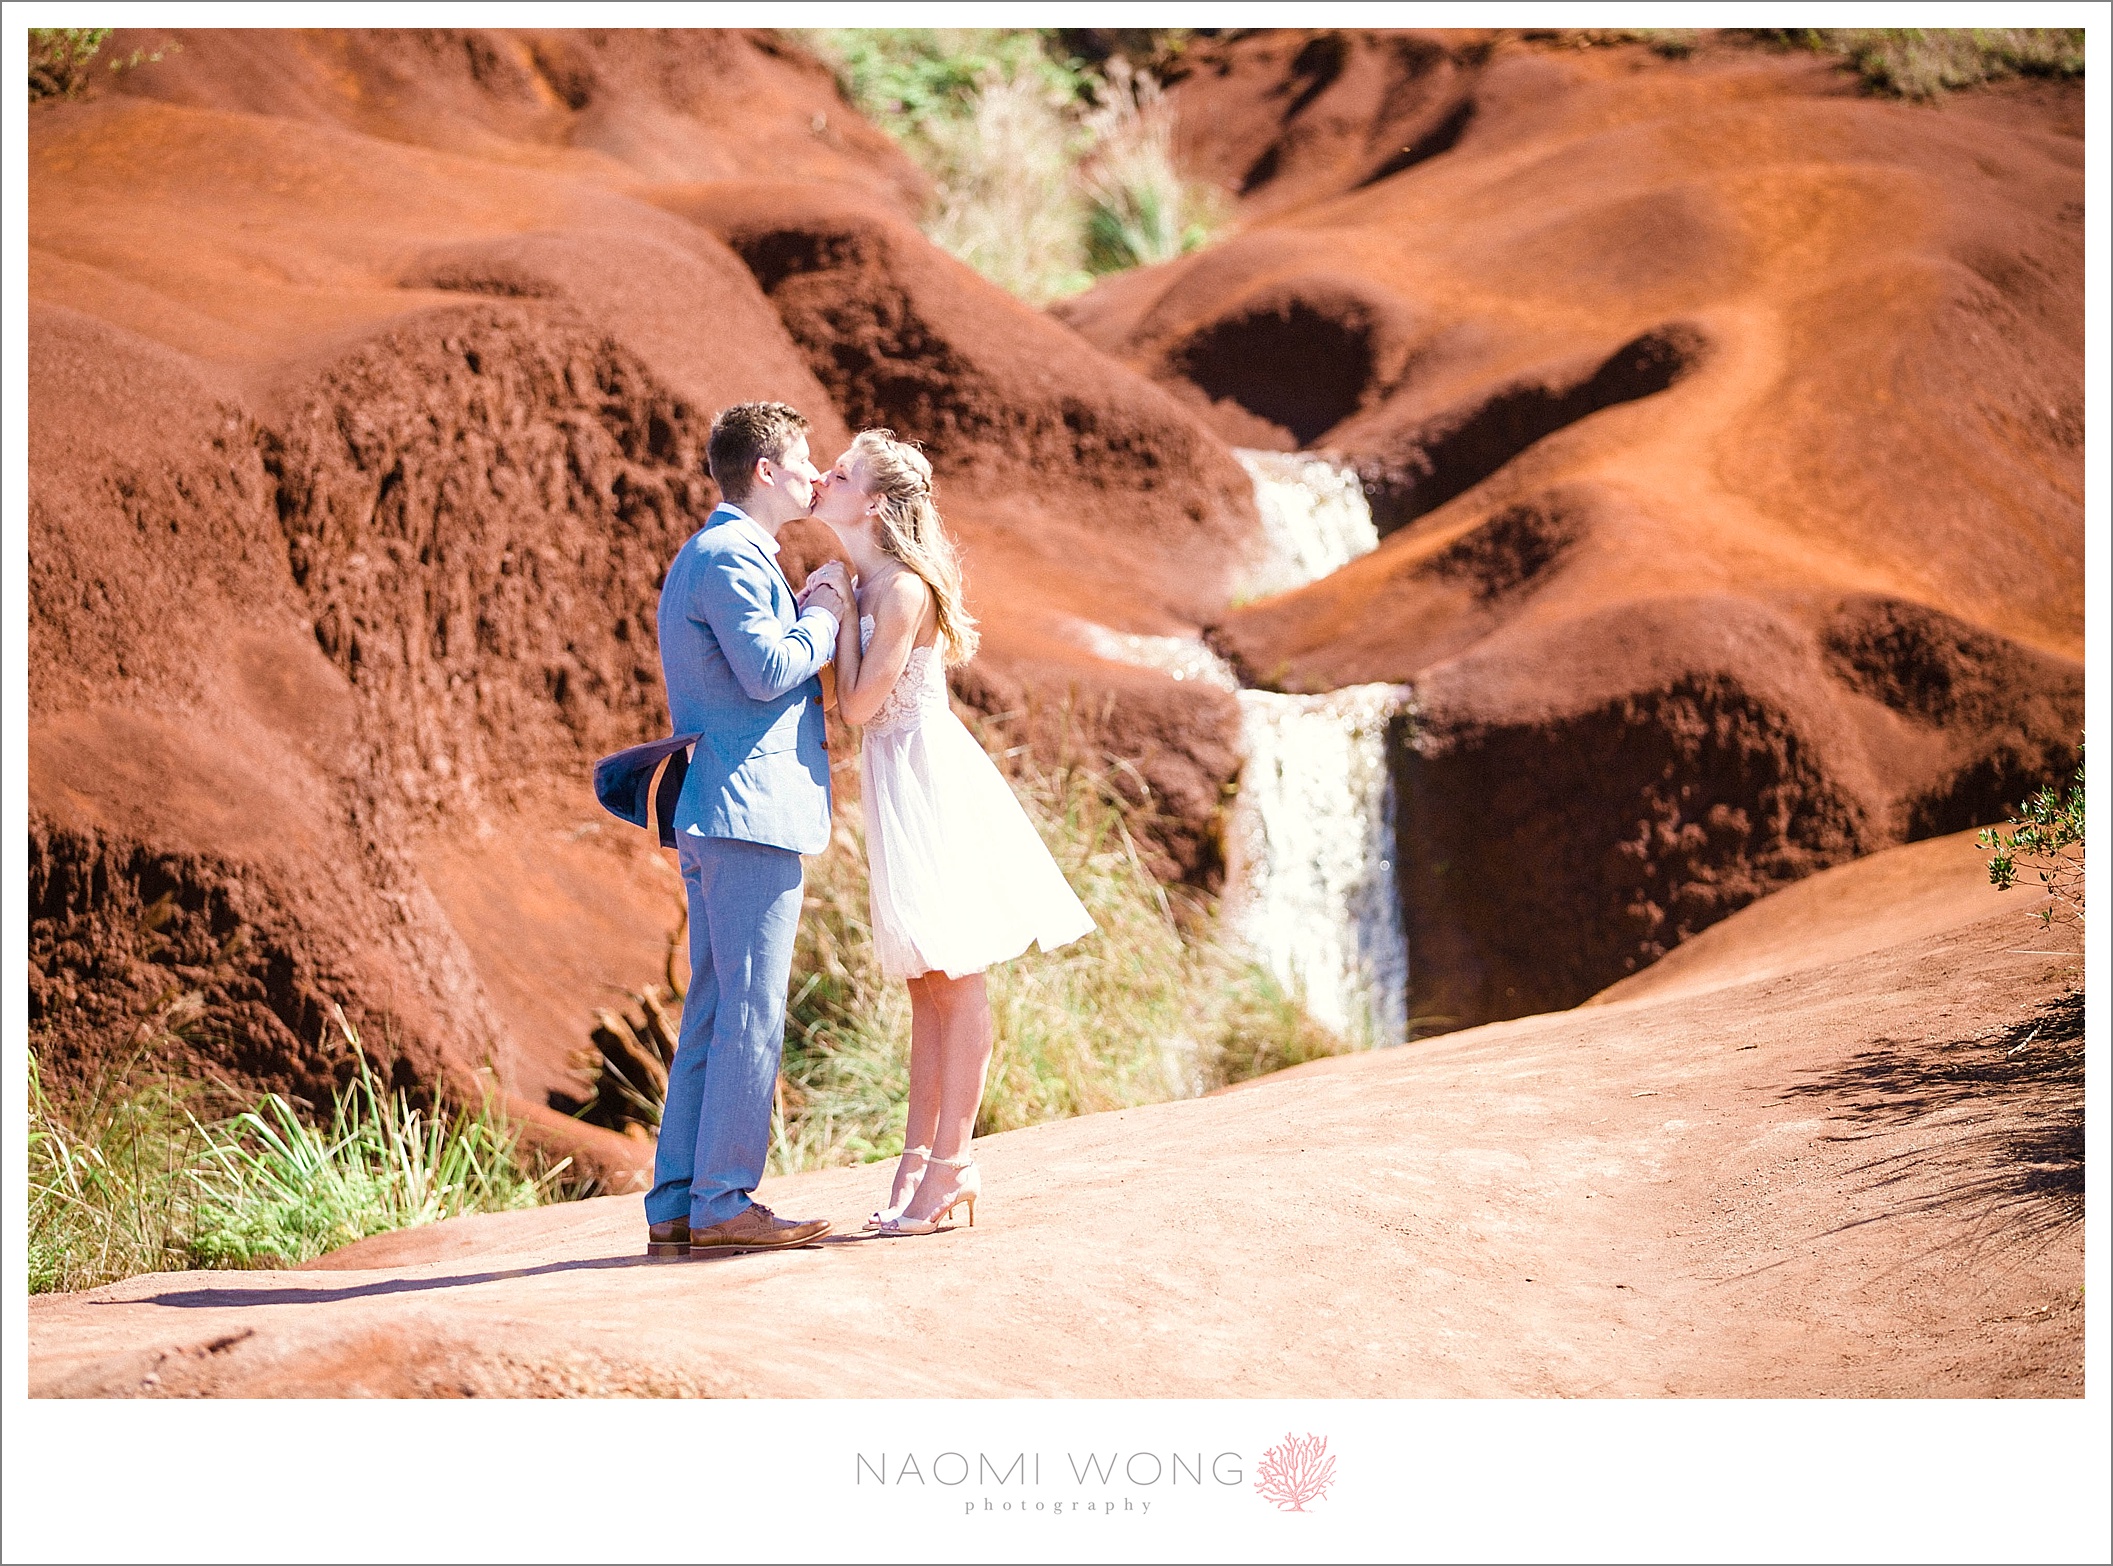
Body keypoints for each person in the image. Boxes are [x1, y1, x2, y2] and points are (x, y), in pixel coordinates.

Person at [806, 429, 1095, 1236]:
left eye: (841, 473)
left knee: (955, 976)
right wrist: (839, 599)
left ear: (873, 503)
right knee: (924, 982)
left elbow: (858, 706)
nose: (824, 476)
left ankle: (953, 1164)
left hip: (929, 782)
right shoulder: (867, 581)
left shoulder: (898, 590)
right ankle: (915, 1164)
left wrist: (837, 617)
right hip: (897, 780)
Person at [638, 401, 855, 1258]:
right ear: (764, 471)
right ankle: (724, 1200)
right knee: (751, 1012)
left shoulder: (718, 552)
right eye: (803, 460)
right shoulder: (729, 554)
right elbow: (767, 670)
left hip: (722, 810)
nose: (815, 472)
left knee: (715, 1009)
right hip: (747, 815)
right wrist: (825, 611)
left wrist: (802, 606)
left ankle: (677, 1203)